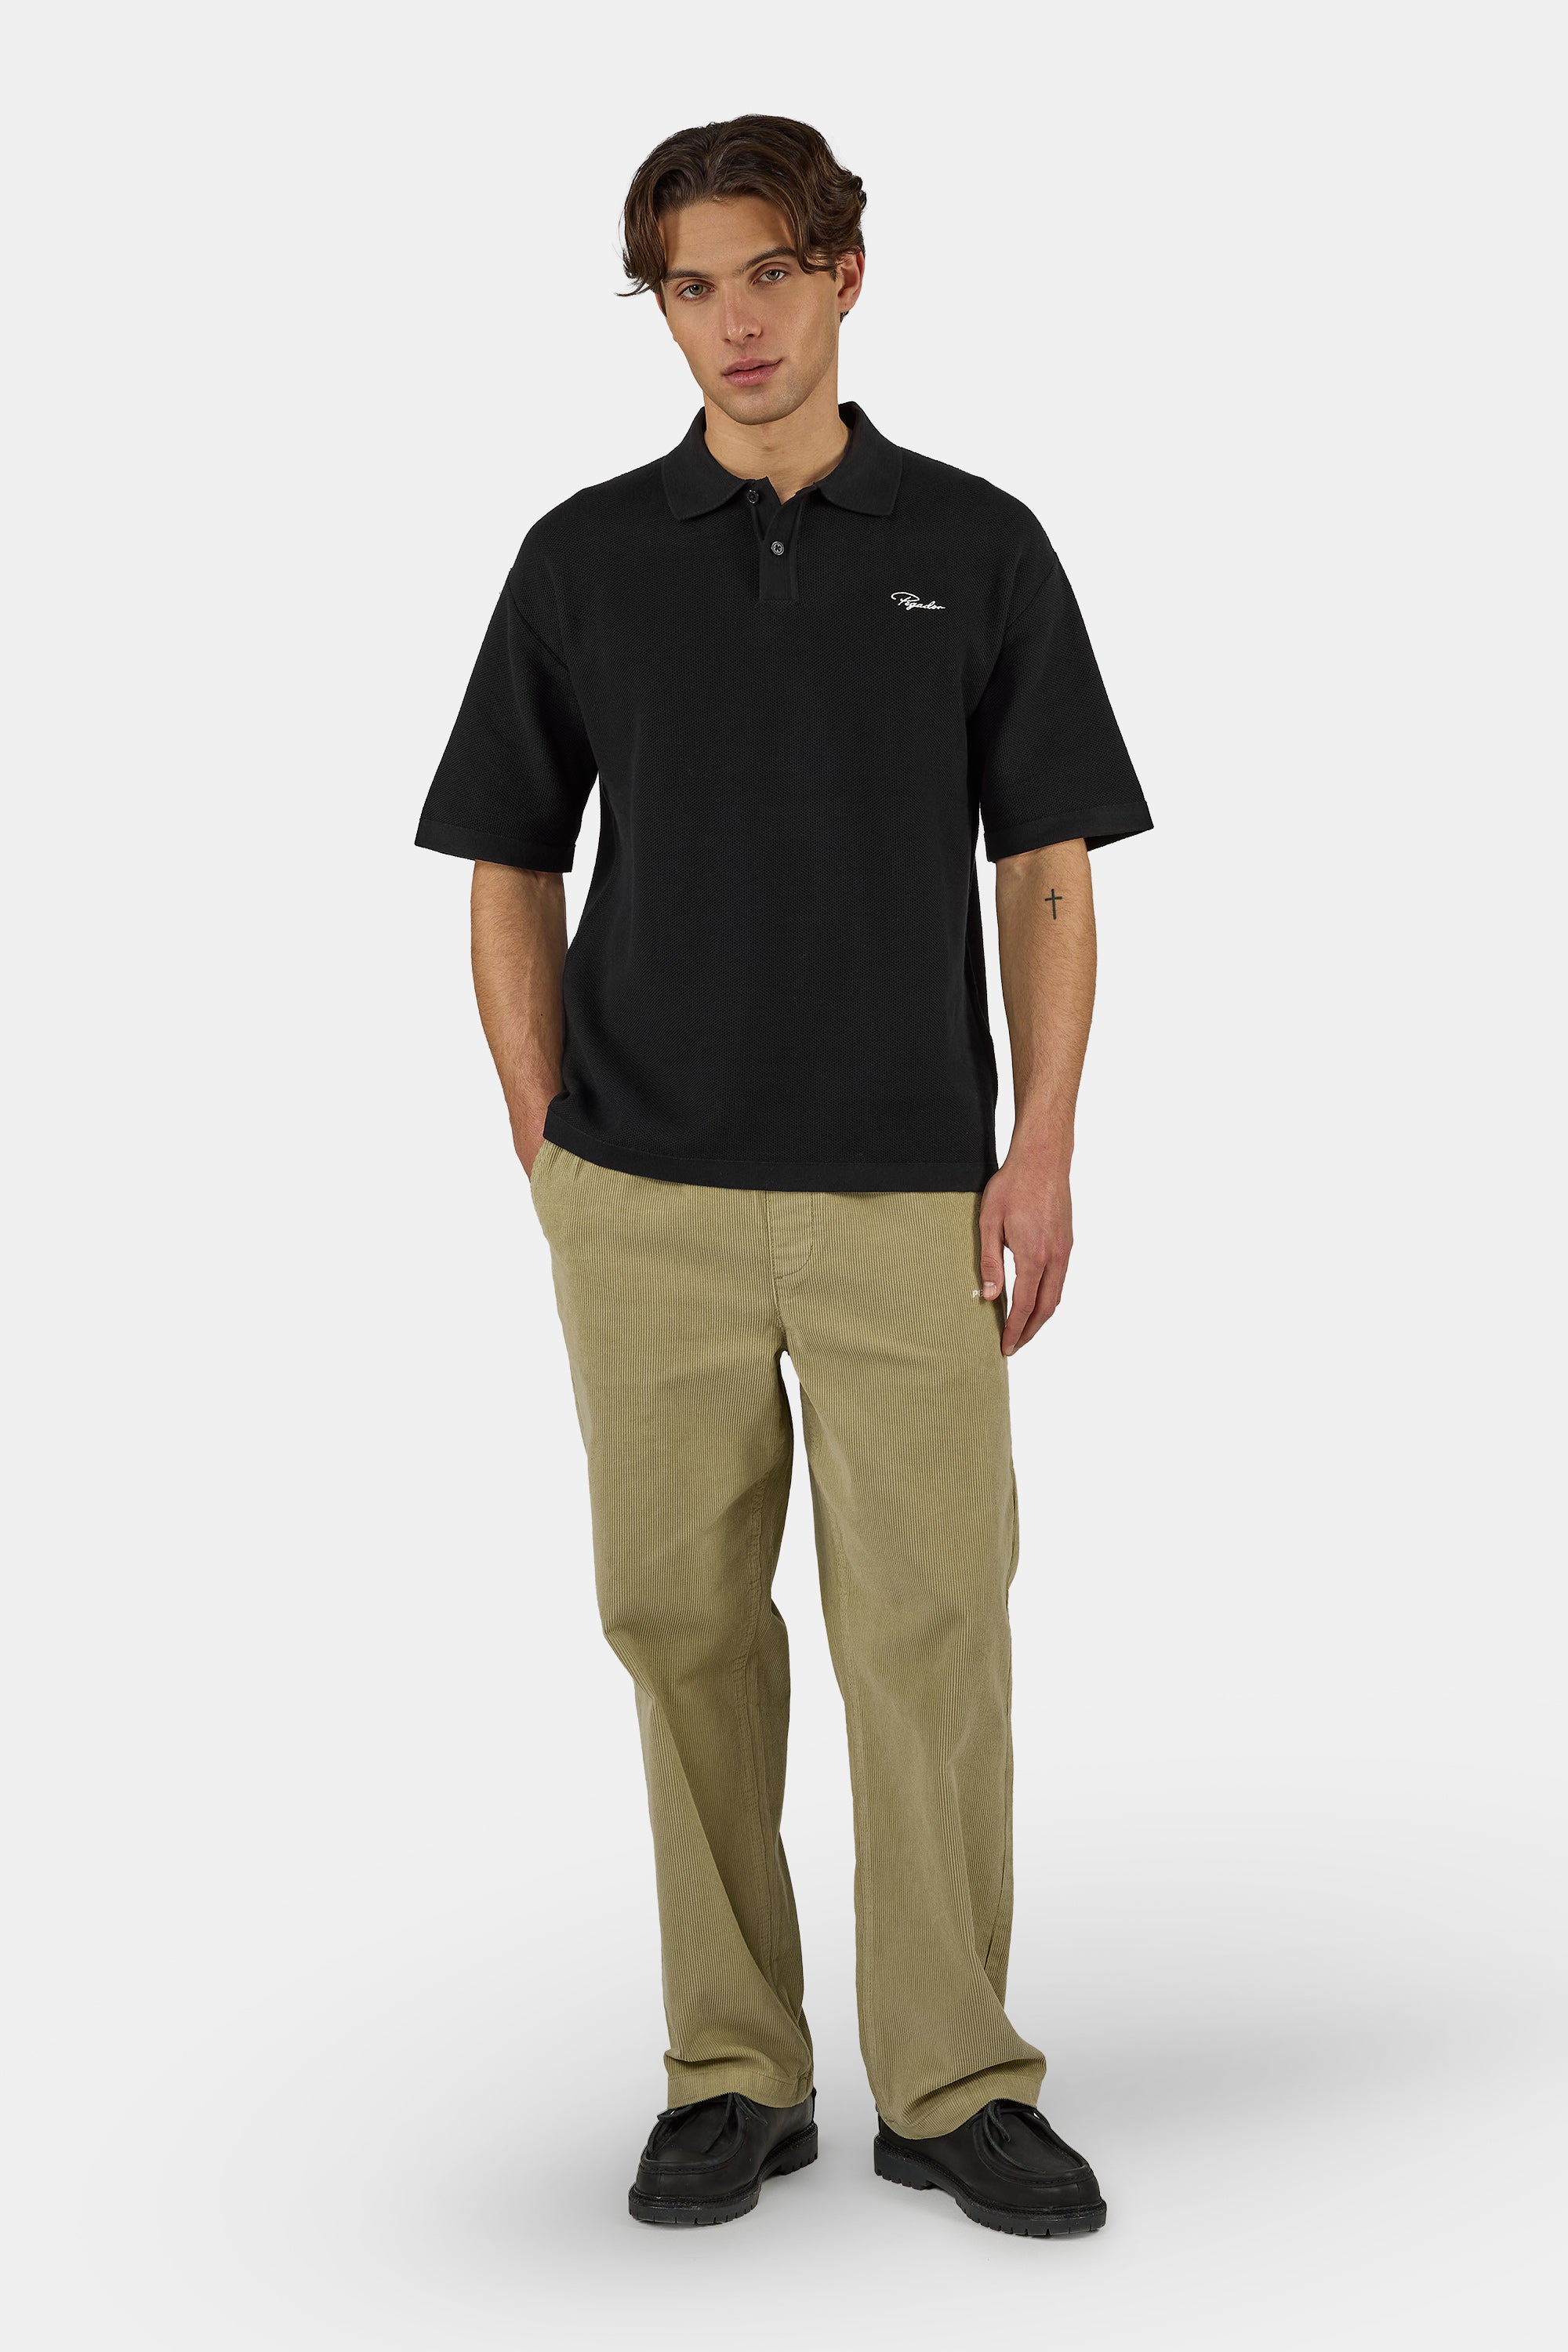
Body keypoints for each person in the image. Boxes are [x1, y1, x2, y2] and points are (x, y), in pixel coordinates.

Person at [416, 114, 1151, 2237]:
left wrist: (1040, 1148)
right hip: (642, 1197)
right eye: (690, 285)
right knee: (680, 1630)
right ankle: (731, 2069)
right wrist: (550, 1140)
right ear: (659, 306)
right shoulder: (583, 556)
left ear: (845, 274)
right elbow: (507, 860)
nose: (733, 322)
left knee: (933, 1633)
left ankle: (952, 2079)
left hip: (913, 1195)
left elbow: (1046, 866)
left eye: (768, 272)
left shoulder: (979, 544)